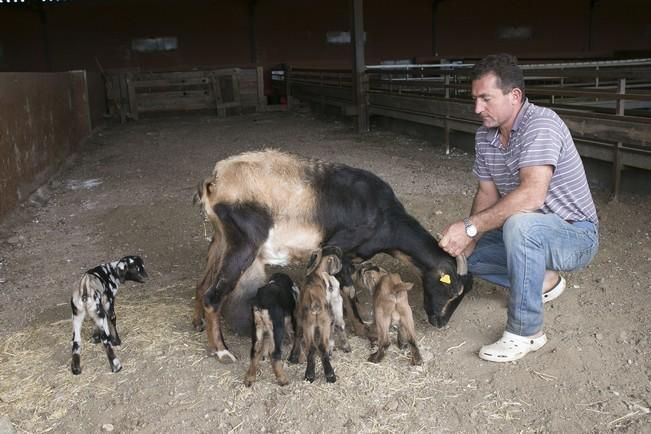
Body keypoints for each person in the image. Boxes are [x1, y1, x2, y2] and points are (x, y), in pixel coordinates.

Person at [439, 53, 599, 363]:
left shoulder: (541, 124)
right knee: (463, 256)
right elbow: (486, 193)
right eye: (474, 99)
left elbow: (531, 197)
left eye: (486, 99)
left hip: (575, 235)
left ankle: (526, 332)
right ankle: (546, 281)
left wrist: (471, 227)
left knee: (519, 225)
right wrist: (468, 237)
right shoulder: (485, 136)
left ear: (514, 96)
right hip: (529, 234)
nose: (477, 108)